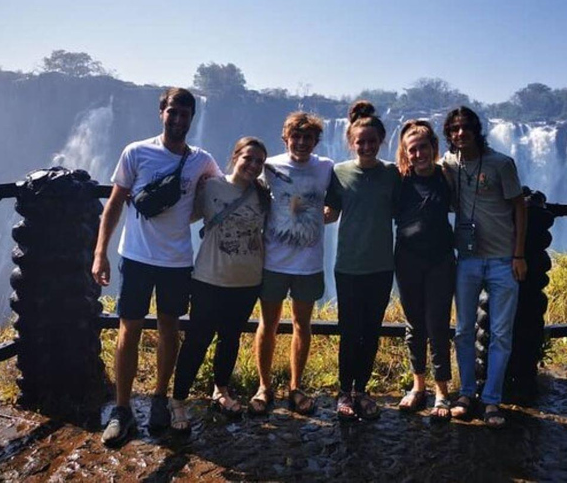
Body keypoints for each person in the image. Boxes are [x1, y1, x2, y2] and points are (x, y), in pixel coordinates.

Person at [92, 88, 220, 446]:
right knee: (128, 331)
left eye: (184, 114)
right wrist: (100, 253)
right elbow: (114, 205)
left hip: (177, 260)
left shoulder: (202, 160)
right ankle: (122, 409)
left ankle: (160, 399)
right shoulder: (136, 152)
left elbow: (220, 190)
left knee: (168, 329)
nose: (178, 120)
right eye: (172, 112)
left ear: (192, 118)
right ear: (161, 112)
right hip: (135, 256)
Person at [169, 137, 270, 433]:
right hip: (209, 278)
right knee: (197, 341)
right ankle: (177, 401)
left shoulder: (262, 194)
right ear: (235, 156)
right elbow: (184, 215)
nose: (252, 165)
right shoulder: (211, 186)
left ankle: (221, 391)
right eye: (248, 158)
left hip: (248, 281)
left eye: (259, 162)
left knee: (230, 338)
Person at [441, 106, 527, 428]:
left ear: (476, 130)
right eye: (454, 129)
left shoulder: (501, 164)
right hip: (467, 260)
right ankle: (465, 393)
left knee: (501, 335)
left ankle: (492, 400)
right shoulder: (449, 164)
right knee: (463, 331)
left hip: (504, 260)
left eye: (465, 128)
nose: (460, 133)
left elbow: (520, 207)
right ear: (449, 134)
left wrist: (519, 255)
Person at [251, 112, 333, 416]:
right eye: (295, 137)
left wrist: (332, 211)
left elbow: (336, 200)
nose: (301, 142)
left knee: (303, 324)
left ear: (315, 141)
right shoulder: (269, 166)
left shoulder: (325, 168)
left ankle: (295, 386)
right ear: (286, 139)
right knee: (267, 324)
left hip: (308, 263)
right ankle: (264, 386)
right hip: (273, 260)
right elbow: (248, 190)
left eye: (307, 137)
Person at [325, 101, 401, 421]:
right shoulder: (339, 173)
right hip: (349, 265)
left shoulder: (392, 173)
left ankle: (362, 390)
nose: (366, 146)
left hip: (381, 265)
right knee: (349, 330)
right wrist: (290, 209)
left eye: (372, 141)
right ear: (351, 143)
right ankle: (345, 390)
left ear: (381, 141)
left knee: (371, 331)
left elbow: (408, 207)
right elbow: (329, 213)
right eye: (361, 141)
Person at [394, 120, 455, 422]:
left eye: (423, 148)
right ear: (405, 153)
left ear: (434, 148)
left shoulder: (448, 177)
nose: (418, 154)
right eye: (412, 150)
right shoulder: (400, 181)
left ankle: (441, 391)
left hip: (441, 260)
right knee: (414, 324)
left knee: (438, 325)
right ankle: (418, 386)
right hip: (407, 260)